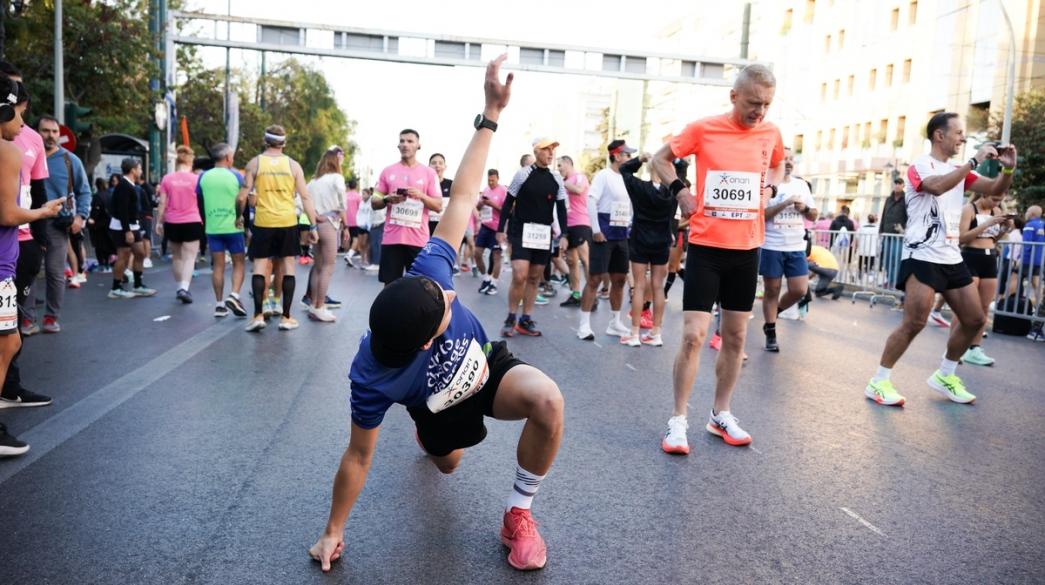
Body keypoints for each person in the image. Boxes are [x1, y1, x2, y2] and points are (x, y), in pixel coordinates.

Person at [309, 56, 563, 573]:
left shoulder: (430, 270)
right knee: (448, 464)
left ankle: (518, 513)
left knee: (548, 401)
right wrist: (332, 532)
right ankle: (430, 437)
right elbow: (358, 456)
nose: (451, 296)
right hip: (437, 406)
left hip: (485, 368)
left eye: (442, 293)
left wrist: (490, 113)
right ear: (426, 342)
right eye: (444, 307)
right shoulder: (374, 378)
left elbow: (464, 194)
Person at [651, 64, 786, 454]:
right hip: (708, 246)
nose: (759, 112)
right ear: (733, 96)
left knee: (737, 337)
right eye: (752, 103)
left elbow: (777, 163)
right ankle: (678, 420)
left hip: (747, 248)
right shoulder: (704, 128)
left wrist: (771, 185)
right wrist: (680, 191)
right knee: (694, 336)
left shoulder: (771, 133)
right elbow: (660, 160)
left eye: (766, 105)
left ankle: (720, 413)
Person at [864, 112, 1015, 407]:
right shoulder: (920, 165)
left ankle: (945, 374)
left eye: (964, 135)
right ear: (939, 135)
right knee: (915, 322)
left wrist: (1007, 171)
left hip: (950, 255)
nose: (962, 138)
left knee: (975, 319)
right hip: (921, 254)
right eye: (959, 133)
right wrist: (973, 160)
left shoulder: (961, 171)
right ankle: (878, 381)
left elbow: (995, 190)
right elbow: (935, 186)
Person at [0, 76, 64, 455]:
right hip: (1, 263)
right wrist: (41, 212)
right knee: (8, 340)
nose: (23, 126)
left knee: (10, 338)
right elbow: (7, 213)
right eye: (18, 115)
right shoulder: (7, 152)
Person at [241, 125, 318, 332]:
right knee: (288, 267)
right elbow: (306, 197)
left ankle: (257, 315)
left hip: (263, 222)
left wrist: (239, 217)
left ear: (265, 141)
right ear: (284, 143)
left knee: (259, 267)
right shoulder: (294, 166)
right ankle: (286, 317)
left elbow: (243, 196)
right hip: (287, 222)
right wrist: (312, 225)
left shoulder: (254, 163)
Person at [496, 138, 568, 337]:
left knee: (535, 277)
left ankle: (525, 319)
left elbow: (561, 209)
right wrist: (500, 228)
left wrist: (564, 234)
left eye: (553, 150)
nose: (550, 153)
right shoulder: (523, 174)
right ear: (536, 152)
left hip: (543, 233)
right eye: (546, 149)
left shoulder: (556, 179)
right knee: (520, 274)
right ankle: (511, 317)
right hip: (520, 230)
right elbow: (508, 202)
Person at [30, 115, 91, 332]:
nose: (50, 135)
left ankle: (50, 317)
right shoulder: (28, 156)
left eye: (55, 131)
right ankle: (27, 319)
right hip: (28, 221)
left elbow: (84, 191)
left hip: (57, 225)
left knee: (55, 272)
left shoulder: (70, 160)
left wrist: (80, 217)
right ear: (37, 132)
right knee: (28, 270)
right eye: (45, 131)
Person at [617, 153, 680, 347]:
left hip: (640, 239)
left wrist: (641, 159)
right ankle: (656, 333)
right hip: (661, 240)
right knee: (658, 287)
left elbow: (624, 169)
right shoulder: (672, 192)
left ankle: (635, 334)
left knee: (639, 286)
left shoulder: (639, 188)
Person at [759, 147, 817, 352]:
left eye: (792, 159)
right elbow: (762, 215)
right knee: (772, 290)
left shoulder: (801, 185)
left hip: (796, 246)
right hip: (772, 245)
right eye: (785, 159)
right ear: (776, 162)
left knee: (799, 290)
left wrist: (805, 209)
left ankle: (772, 318)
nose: (790, 163)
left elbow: (814, 215)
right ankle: (771, 332)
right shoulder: (767, 183)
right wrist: (785, 204)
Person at [576, 140, 634, 340]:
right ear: (617, 156)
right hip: (604, 232)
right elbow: (591, 199)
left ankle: (615, 323)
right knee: (595, 279)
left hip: (621, 234)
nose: (630, 158)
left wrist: (630, 226)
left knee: (619, 279)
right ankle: (584, 325)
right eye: (627, 155)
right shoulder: (604, 175)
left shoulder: (628, 177)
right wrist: (596, 229)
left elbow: (630, 205)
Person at [371, 130, 443, 286]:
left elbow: (438, 206)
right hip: (392, 240)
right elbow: (374, 202)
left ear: (418, 146)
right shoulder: (387, 171)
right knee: (389, 289)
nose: (405, 144)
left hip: (418, 240)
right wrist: (387, 198)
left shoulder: (429, 173)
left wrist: (421, 195)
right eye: (402, 141)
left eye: (410, 141)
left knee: (418, 289)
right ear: (398, 145)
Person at [954, 191, 1012, 365]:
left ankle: (974, 348)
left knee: (984, 307)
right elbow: (962, 238)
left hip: (989, 258)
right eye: (994, 199)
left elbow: (993, 239)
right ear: (984, 194)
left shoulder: (996, 212)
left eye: (1000, 200)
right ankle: (954, 348)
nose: (997, 203)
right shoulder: (968, 209)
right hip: (971, 256)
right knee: (965, 306)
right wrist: (986, 224)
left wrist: (1004, 228)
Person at [197, 142, 248, 318]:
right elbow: (242, 200)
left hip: (213, 227)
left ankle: (219, 305)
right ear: (227, 158)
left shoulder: (203, 177)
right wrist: (240, 218)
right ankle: (234, 295)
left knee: (217, 266)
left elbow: (200, 201)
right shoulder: (236, 176)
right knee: (239, 263)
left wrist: (205, 221)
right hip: (233, 227)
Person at [301, 148, 347, 322]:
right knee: (328, 267)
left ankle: (314, 304)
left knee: (318, 267)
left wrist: (314, 215)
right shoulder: (337, 178)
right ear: (336, 159)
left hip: (316, 223)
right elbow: (342, 201)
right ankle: (320, 306)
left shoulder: (313, 182)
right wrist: (346, 223)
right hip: (330, 222)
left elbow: (301, 201)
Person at [155, 145, 204, 304]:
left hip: (172, 221)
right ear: (191, 162)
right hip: (192, 220)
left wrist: (159, 222)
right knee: (190, 257)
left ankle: (179, 287)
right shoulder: (196, 179)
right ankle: (184, 287)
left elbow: (162, 203)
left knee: (176, 257)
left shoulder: (167, 178)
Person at [108, 159, 156, 298]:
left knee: (140, 253)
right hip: (122, 226)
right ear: (133, 170)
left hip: (133, 224)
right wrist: (127, 230)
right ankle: (116, 288)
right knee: (124, 255)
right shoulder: (124, 186)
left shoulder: (130, 185)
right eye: (139, 168)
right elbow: (122, 210)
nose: (141, 171)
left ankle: (138, 285)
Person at [557, 156, 591, 308]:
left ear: (568, 164)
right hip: (568, 225)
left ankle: (592, 294)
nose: (558, 168)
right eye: (557, 166)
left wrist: (563, 183)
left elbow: (578, 190)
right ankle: (576, 294)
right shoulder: (562, 183)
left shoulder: (579, 177)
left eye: (560, 165)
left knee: (585, 260)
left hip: (581, 222)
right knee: (571, 261)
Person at [475, 169, 506, 295]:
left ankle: (494, 283)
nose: (491, 182)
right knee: (477, 253)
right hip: (485, 226)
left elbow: (506, 211)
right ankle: (486, 279)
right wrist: (482, 203)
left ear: (498, 178)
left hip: (497, 228)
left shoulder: (503, 191)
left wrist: (492, 204)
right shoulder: (486, 189)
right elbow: (477, 208)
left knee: (496, 256)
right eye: (489, 180)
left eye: (493, 180)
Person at [880, 178, 907, 288]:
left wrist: (903, 228)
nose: (897, 185)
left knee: (896, 259)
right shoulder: (888, 199)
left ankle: (894, 281)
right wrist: (880, 230)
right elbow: (883, 214)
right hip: (887, 233)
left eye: (899, 184)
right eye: (895, 183)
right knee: (886, 259)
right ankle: (889, 280)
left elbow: (909, 215)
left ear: (903, 185)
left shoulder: (906, 199)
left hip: (898, 235)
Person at [342, 178, 363, 266]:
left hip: (345, 220)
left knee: (346, 238)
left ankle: (346, 253)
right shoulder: (358, 196)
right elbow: (361, 209)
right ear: (356, 186)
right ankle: (349, 255)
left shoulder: (344, 195)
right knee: (355, 239)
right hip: (355, 220)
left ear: (348, 186)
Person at [856, 213, 879, 282]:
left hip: (862, 250)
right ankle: (869, 279)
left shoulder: (862, 227)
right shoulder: (877, 228)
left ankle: (860, 275)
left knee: (861, 265)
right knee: (870, 266)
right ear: (875, 220)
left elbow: (857, 237)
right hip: (872, 251)